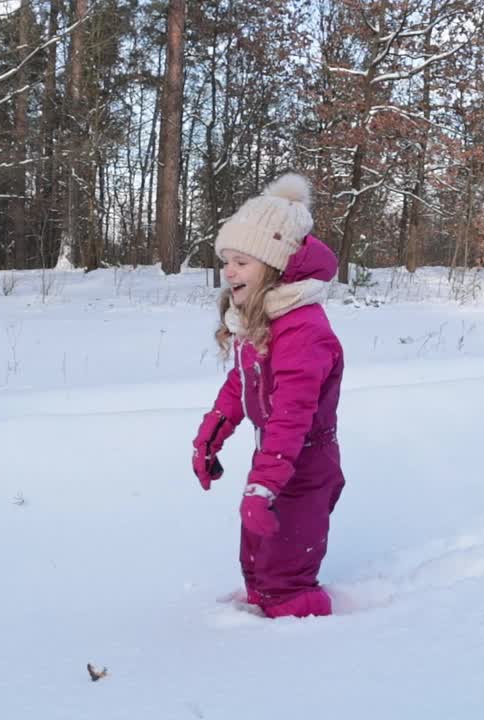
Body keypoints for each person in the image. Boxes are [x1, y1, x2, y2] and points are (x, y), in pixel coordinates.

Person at [191, 173, 346, 619]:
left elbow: (292, 415)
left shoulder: (303, 330)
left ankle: (302, 651)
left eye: (242, 261)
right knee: (256, 569)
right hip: (274, 460)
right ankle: (263, 616)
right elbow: (240, 385)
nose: (229, 270)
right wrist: (209, 438)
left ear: (275, 266)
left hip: (303, 464)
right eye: (227, 260)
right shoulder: (261, 319)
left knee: (286, 581)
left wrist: (265, 484)